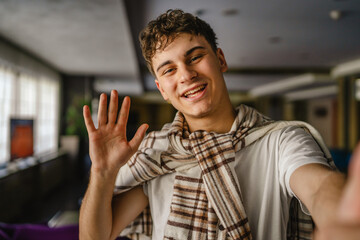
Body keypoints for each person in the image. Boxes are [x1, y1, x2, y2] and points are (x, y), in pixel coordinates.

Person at [79, 9, 360, 240]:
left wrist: (341, 217)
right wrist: (103, 172)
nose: (186, 75)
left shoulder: (282, 141)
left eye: (196, 57)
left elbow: (319, 186)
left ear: (220, 59)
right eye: (169, 69)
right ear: (162, 89)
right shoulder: (156, 154)